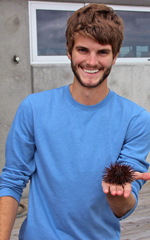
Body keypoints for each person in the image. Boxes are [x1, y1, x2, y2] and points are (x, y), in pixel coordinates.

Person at [0, 3, 150, 240]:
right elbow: (12, 178)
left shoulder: (137, 120)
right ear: (69, 51)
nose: (91, 62)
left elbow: (124, 208)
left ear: (115, 57)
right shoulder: (33, 108)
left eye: (102, 52)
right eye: (83, 50)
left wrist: (117, 195)